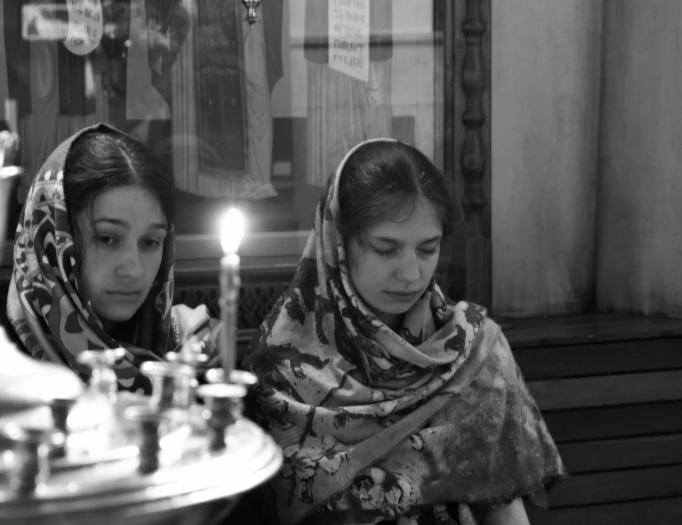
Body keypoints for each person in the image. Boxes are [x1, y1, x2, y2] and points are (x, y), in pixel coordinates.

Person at [241, 138, 567, 525]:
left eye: (428, 249)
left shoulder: (478, 354)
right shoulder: (281, 371)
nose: (411, 274)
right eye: (386, 249)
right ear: (338, 243)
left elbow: (504, 507)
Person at [7, 123, 215, 394]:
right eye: (107, 239)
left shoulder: (189, 351)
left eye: (150, 242)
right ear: (53, 238)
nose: (133, 270)